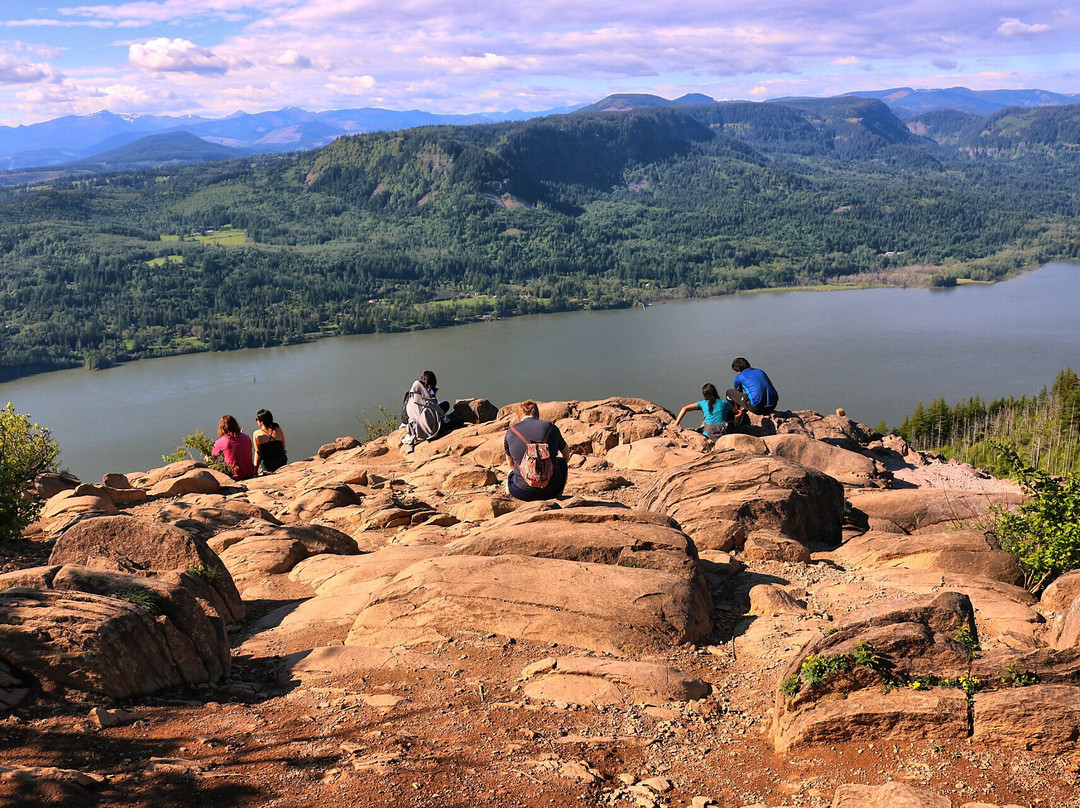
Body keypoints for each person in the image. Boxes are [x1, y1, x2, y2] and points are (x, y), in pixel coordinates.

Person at [504, 400, 570, 501]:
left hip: (521, 492)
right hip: (551, 490)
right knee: (562, 462)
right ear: (537, 415)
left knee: (512, 470)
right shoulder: (552, 428)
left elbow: (510, 462)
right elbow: (566, 452)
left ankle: (510, 494)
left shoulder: (511, 432)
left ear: (518, 417)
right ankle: (558, 494)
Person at [400, 370, 447, 450]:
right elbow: (436, 407)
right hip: (424, 426)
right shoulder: (427, 393)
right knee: (445, 405)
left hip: (411, 423)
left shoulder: (412, 392)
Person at [211, 414, 256, 480]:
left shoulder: (220, 441)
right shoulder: (246, 437)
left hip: (234, 475)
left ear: (222, 428)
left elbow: (212, 458)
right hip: (249, 473)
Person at [252, 408, 288, 473]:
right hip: (281, 461)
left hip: (267, 465)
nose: (256, 421)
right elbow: (283, 446)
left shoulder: (256, 434)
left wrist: (255, 470)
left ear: (261, 422)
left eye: (256, 419)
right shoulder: (278, 429)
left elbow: (258, 453)